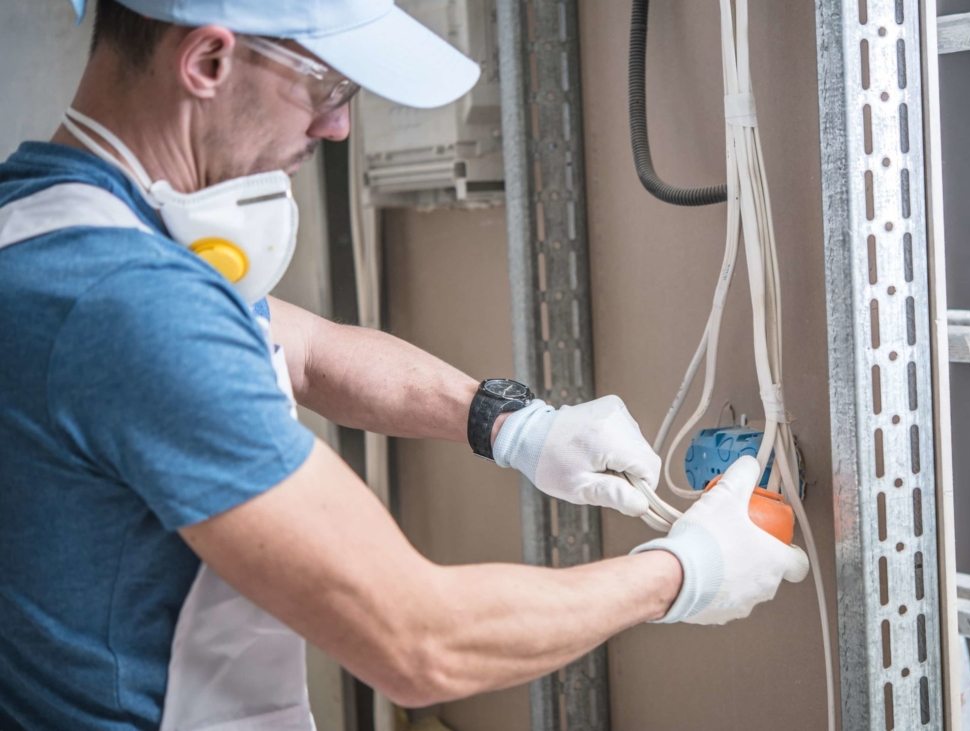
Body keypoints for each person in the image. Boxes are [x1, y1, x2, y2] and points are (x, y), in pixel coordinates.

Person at [0, 0, 810, 728]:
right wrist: (685, 570)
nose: (336, 128)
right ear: (208, 61)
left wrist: (513, 422)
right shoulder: (130, 305)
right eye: (326, 88)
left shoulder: (44, 224)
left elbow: (304, 348)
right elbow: (418, 641)